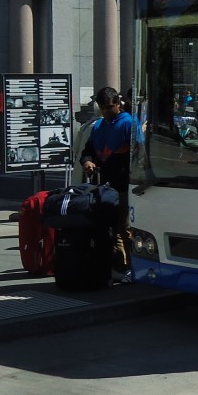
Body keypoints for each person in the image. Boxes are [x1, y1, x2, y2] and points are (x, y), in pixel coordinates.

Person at [80, 87, 137, 282]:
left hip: (125, 185)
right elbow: (88, 151)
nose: (105, 111)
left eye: (109, 107)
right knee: (112, 228)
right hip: (106, 185)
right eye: (102, 108)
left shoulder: (129, 123)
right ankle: (118, 266)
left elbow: (139, 153)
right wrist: (87, 161)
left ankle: (131, 266)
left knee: (125, 228)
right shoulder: (98, 126)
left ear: (118, 104)